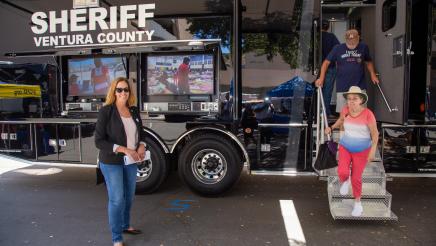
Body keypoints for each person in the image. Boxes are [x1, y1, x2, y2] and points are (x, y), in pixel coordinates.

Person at [95, 77, 146, 246]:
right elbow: (99, 141)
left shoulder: (133, 111)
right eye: (119, 90)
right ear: (113, 92)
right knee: (117, 199)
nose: (123, 93)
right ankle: (117, 237)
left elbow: (142, 133)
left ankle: (125, 225)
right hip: (111, 162)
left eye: (126, 90)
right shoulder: (106, 111)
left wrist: (141, 146)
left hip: (130, 161)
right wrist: (124, 149)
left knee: (129, 197)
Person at [325, 86, 379, 217]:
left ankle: (358, 204)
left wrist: (372, 151)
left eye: (355, 99)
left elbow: (375, 134)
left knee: (356, 178)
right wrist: (331, 127)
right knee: (342, 171)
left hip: (362, 150)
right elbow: (341, 120)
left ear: (361, 100)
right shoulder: (345, 110)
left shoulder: (368, 114)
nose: (351, 101)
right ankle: (345, 180)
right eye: (349, 99)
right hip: (345, 146)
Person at [315, 29, 379, 114]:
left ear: (358, 38)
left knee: (360, 114)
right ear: (346, 39)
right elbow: (326, 63)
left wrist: (372, 74)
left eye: (353, 41)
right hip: (343, 88)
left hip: (359, 88)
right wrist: (321, 78)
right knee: (343, 116)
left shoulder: (364, 47)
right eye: (349, 41)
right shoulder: (338, 48)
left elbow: (368, 62)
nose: (351, 44)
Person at [320, 19, 340, 117]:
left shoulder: (314, 37)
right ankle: (325, 112)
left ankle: (313, 112)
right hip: (330, 67)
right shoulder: (331, 37)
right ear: (328, 27)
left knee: (315, 89)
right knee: (327, 90)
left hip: (314, 68)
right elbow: (339, 50)